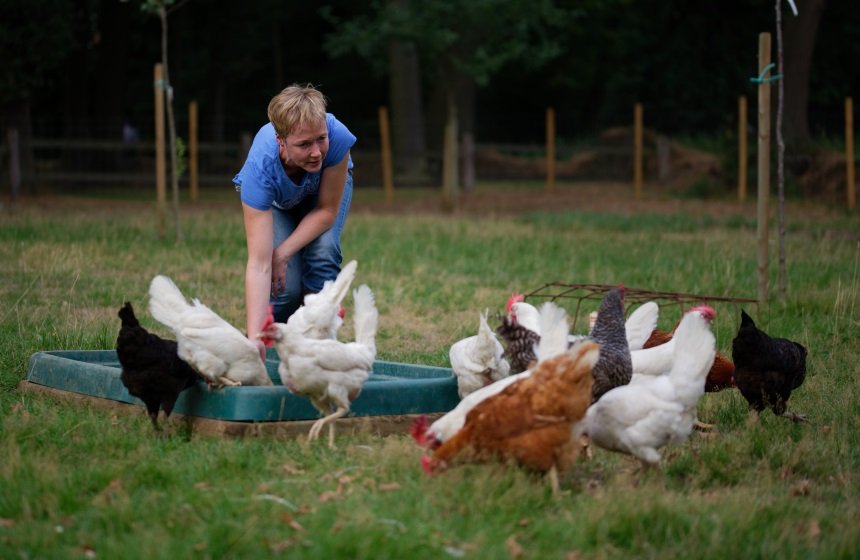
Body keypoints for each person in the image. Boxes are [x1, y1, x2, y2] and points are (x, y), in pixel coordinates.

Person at [233, 84, 356, 351]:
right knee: (285, 289)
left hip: (321, 200)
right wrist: (254, 342)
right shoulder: (260, 169)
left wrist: (283, 252)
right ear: (281, 140)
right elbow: (259, 265)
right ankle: (270, 340)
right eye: (303, 144)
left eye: (320, 139)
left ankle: (319, 346)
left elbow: (326, 211)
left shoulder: (337, 139)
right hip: (279, 203)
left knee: (323, 252)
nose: (316, 152)